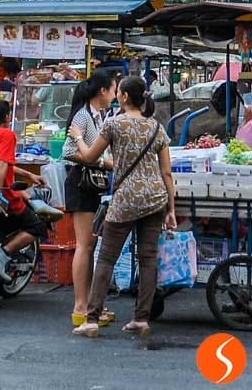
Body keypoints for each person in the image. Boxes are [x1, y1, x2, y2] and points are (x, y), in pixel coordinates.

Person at [69, 77, 176, 337]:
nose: (116, 95)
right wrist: (171, 209)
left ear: (125, 97)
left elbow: (90, 156)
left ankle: (92, 319)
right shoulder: (156, 127)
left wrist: (78, 137)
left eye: (119, 92)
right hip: (155, 198)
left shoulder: (114, 124)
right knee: (148, 259)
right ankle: (141, 319)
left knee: (106, 258)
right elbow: (166, 172)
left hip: (126, 198)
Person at [0, 99, 48, 283]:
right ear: (6, 117)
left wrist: (29, 175)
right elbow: (1, 163)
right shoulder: (7, 135)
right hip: (2, 201)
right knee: (38, 226)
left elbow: (5, 164)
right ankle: (2, 254)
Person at [62, 69, 117, 326]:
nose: (115, 95)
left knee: (90, 245)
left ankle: (92, 305)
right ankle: (80, 307)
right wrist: (104, 163)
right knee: (84, 245)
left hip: (92, 184)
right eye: (113, 90)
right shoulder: (83, 116)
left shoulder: (98, 115)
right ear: (102, 91)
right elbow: (69, 151)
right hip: (81, 184)